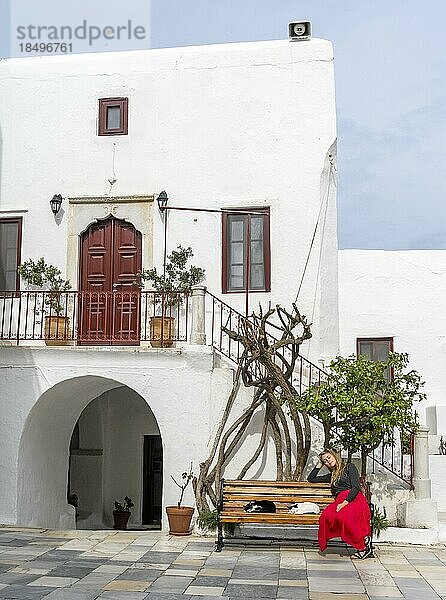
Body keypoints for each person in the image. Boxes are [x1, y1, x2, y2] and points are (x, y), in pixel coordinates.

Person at [307, 448, 372, 559]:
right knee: (325, 516)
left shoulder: (349, 467)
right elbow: (311, 479)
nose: (328, 461)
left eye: (329, 457)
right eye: (325, 461)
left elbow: (356, 487)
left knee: (344, 517)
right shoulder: (332, 476)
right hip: (340, 501)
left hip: (354, 498)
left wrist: (345, 502)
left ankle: (363, 546)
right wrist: (319, 464)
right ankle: (363, 540)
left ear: (334, 455)